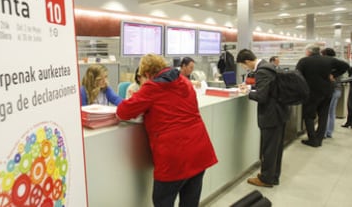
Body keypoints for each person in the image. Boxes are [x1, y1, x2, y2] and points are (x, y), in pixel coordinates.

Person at [116, 54, 217, 207]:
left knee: (162, 201)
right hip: (198, 150)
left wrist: (140, 91)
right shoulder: (184, 80)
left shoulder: (152, 87)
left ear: (147, 74)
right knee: (190, 202)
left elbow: (123, 111)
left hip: (174, 156)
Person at [236, 49, 289, 188]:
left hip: (271, 116)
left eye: (243, 65)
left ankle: (266, 179)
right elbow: (267, 88)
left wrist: (248, 92)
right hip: (280, 113)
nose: (244, 68)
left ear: (247, 61)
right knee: (276, 149)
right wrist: (251, 86)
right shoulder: (268, 66)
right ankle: (273, 176)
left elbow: (262, 97)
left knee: (269, 149)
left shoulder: (262, 71)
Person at [296, 44, 349, 147]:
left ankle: (312, 139)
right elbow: (346, 66)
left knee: (309, 116)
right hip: (327, 92)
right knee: (323, 115)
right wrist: (334, 75)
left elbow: (296, 76)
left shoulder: (304, 61)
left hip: (311, 93)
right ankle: (319, 139)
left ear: (309, 52)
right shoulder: (328, 59)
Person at [320, 48, 342, 138]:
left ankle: (324, 133)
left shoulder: (329, 64)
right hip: (338, 90)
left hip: (331, 90)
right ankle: (329, 132)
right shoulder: (337, 63)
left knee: (326, 112)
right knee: (332, 112)